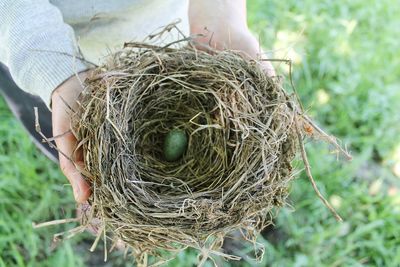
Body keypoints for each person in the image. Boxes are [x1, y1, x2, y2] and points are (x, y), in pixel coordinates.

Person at [0, 0, 274, 203]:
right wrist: (56, 71)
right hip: (35, 52)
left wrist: (220, 16)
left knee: (100, 143)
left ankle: (111, 198)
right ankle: (99, 195)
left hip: (159, 34)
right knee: (72, 138)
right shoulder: (45, 62)